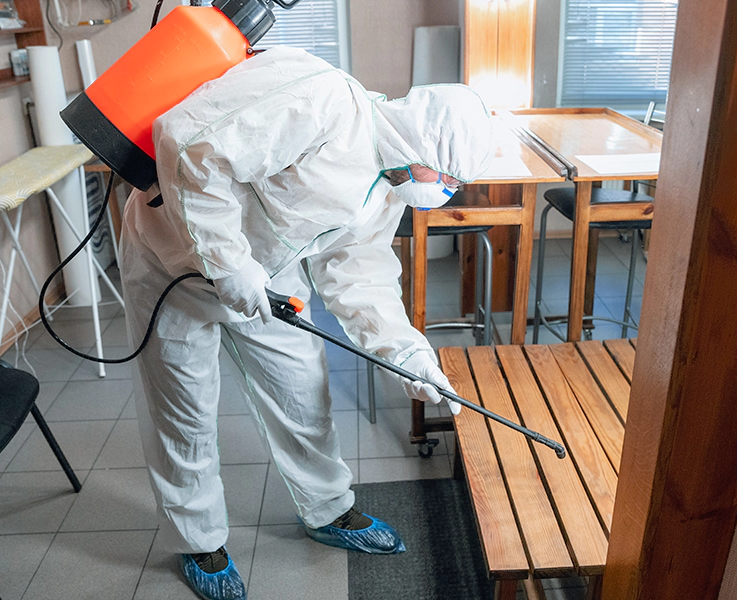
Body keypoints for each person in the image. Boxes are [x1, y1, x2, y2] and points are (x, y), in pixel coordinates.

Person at [119, 46, 494, 600]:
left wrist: (408, 355)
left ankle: (327, 509)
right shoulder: (320, 98)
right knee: (184, 408)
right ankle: (198, 540)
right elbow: (190, 146)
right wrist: (228, 264)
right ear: (426, 142)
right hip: (172, 261)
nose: (445, 194)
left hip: (270, 281)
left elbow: (360, 277)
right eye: (450, 180)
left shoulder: (387, 188)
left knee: (303, 392)